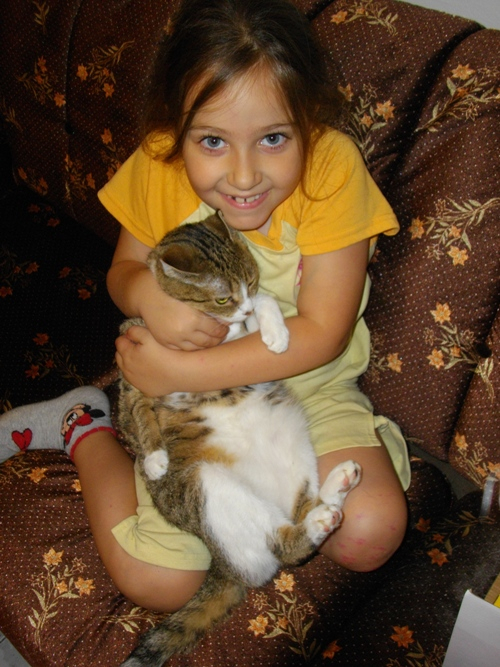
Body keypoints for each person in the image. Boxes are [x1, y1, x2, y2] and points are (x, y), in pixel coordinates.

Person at [0, 0, 410, 613]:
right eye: (213, 141)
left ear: (308, 120)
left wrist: (179, 369)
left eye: (274, 138)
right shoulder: (160, 160)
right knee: (157, 582)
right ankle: (81, 426)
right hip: (191, 414)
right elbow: (122, 272)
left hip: (307, 386)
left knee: (370, 529)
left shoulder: (331, 167)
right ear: (178, 127)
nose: (243, 176)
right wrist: (146, 296)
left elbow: (323, 332)